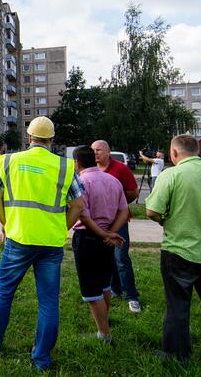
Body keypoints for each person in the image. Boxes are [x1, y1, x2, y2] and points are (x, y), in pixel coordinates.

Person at [0, 117, 122, 371]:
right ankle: (42, 358)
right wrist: (62, 227)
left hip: (18, 239)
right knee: (48, 301)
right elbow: (78, 205)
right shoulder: (65, 167)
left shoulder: (11, 161)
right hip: (51, 245)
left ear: (29, 136)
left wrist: (7, 224)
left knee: (4, 292)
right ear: (51, 139)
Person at [145, 135, 201, 373]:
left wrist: (166, 219)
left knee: (177, 307)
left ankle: (176, 356)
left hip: (179, 251)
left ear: (174, 153)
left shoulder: (171, 175)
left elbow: (151, 210)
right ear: (198, 151)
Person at [71, 146, 130, 342]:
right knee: (105, 283)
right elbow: (124, 210)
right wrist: (111, 232)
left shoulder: (80, 182)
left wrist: (104, 233)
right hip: (107, 239)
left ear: (76, 163)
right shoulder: (112, 180)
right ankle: (104, 324)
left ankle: (104, 333)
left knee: (91, 287)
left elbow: (84, 216)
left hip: (88, 238)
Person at [92, 139, 142, 314]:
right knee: (108, 258)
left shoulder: (120, 168)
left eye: (98, 150)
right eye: (93, 150)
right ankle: (116, 289)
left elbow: (133, 192)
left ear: (108, 152)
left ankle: (132, 296)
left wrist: (118, 205)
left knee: (121, 258)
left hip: (118, 221)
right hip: (100, 222)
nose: (95, 153)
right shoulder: (92, 169)